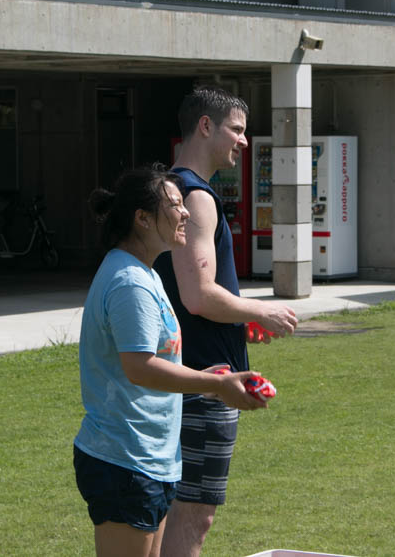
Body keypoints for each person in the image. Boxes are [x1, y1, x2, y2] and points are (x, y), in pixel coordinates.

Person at [73, 165, 268, 557]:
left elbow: (153, 355)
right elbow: (139, 367)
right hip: (124, 459)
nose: (187, 214)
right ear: (142, 219)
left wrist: (206, 375)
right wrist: (216, 386)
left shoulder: (144, 273)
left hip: (148, 457)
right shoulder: (129, 281)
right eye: (175, 206)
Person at [154, 86, 299, 556]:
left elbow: (188, 293)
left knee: (174, 508)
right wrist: (263, 309)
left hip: (185, 372)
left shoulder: (173, 189)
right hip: (205, 378)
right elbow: (198, 295)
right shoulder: (196, 197)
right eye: (236, 129)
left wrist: (239, 321)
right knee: (195, 514)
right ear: (204, 126)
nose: (243, 141)